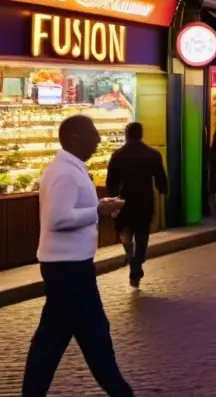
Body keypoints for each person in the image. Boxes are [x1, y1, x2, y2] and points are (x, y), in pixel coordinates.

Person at [22, 115, 133, 397]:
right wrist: (98, 211)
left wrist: (99, 204)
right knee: (55, 337)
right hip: (66, 269)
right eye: (93, 135)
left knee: (91, 333)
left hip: (74, 266)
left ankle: (121, 391)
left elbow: (71, 209)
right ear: (74, 139)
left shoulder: (71, 168)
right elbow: (57, 218)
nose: (98, 141)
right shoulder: (64, 173)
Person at [105, 121, 168, 288]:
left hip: (125, 200)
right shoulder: (153, 154)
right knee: (142, 235)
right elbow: (160, 178)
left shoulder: (118, 154)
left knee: (125, 230)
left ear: (126, 134)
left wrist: (112, 198)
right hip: (145, 199)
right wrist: (163, 190)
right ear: (141, 134)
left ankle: (130, 254)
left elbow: (111, 180)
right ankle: (136, 265)